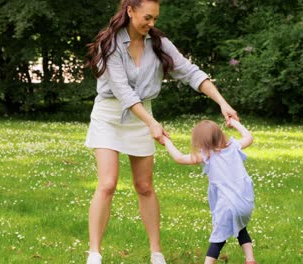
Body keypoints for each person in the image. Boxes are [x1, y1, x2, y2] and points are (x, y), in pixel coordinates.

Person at [84, 0, 239, 263]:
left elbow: (191, 72)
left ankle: (157, 253)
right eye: (147, 17)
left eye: (155, 18)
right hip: (109, 115)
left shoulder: (158, 43)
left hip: (142, 114)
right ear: (130, 10)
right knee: (107, 183)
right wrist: (151, 123)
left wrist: (222, 102)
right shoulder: (109, 45)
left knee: (144, 186)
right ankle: (94, 254)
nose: (152, 24)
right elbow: (122, 92)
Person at [163, 119, 257, 264]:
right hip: (246, 203)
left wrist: (166, 141)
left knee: (218, 237)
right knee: (241, 228)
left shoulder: (208, 155)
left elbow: (180, 158)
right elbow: (249, 138)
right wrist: (235, 123)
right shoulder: (233, 147)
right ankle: (250, 259)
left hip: (227, 204)